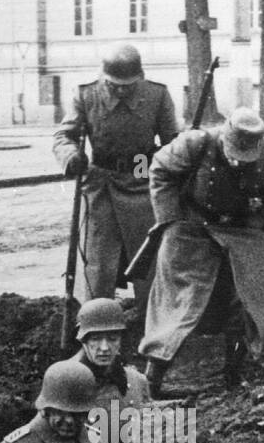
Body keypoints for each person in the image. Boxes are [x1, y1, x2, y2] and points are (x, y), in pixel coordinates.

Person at [138, 107, 264, 396]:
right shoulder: (195, 144)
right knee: (178, 305)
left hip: (242, 233)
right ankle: (151, 381)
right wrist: (169, 221)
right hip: (192, 229)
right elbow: (159, 170)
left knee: (249, 301)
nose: (238, 163)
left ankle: (233, 376)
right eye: (233, 154)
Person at [52, 44, 180, 313]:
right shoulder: (86, 94)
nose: (121, 90)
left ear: (140, 77)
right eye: (114, 84)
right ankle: (95, 320)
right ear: (104, 77)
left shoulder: (157, 95)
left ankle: (151, 319)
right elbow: (64, 135)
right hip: (101, 178)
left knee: (148, 255)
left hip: (141, 169)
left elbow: (172, 142)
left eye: (128, 85)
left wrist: (166, 165)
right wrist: (71, 155)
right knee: (97, 259)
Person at [72, 297, 151, 443]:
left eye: (112, 338)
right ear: (83, 340)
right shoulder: (65, 385)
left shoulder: (135, 382)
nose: (104, 347)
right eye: (96, 339)